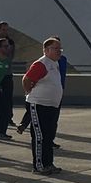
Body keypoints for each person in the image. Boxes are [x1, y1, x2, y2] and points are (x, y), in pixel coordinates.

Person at [23, 38, 68, 174]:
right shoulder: (42, 64)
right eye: (56, 49)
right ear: (46, 50)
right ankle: (39, 165)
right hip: (39, 104)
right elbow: (27, 79)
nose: (59, 52)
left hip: (51, 105)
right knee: (40, 136)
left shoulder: (55, 64)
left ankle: (48, 163)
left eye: (60, 49)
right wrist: (29, 92)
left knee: (49, 136)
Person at [0, 35, 15, 140]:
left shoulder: (8, 60)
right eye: (5, 46)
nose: (8, 48)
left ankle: (1, 131)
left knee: (6, 110)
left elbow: (8, 76)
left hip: (5, 89)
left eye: (8, 46)